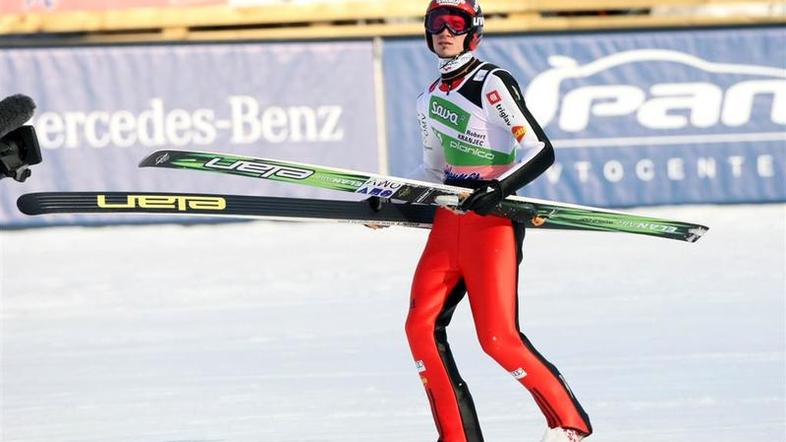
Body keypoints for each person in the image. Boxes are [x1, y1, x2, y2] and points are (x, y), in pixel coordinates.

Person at [403, 1, 593, 441]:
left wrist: (499, 190)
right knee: (420, 328)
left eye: (456, 25)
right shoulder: (428, 97)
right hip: (448, 223)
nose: (445, 32)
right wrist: (388, 194)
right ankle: (456, 436)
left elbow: (539, 150)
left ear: (474, 33)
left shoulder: (492, 82)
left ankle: (570, 426)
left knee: (497, 339)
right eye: (437, 24)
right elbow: (432, 171)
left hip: (492, 225)